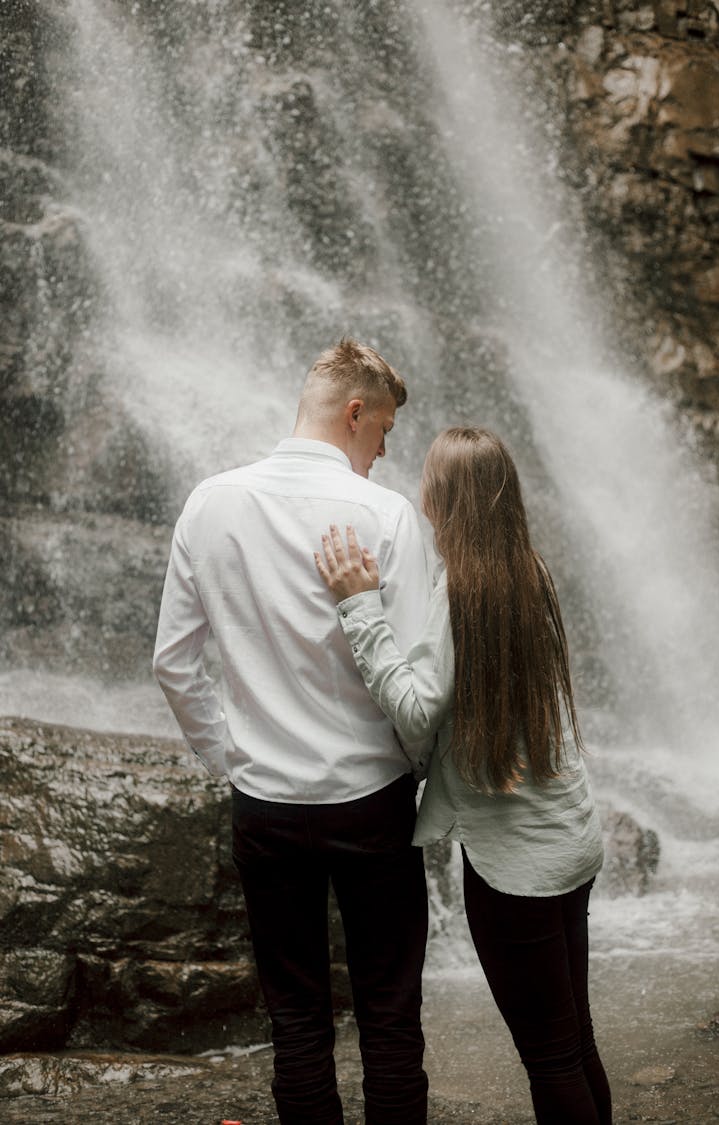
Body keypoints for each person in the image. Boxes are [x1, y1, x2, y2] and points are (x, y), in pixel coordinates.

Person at [153, 339, 432, 1125]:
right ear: (354, 413)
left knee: (298, 1021)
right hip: (373, 801)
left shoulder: (210, 503)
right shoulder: (385, 515)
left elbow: (173, 664)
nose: (383, 452)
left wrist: (235, 757)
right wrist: (413, 771)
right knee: (390, 1018)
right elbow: (415, 682)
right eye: (382, 433)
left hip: (266, 805)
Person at [315, 426, 613, 1125]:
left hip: (516, 868)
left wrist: (361, 607)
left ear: (443, 500)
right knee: (575, 1038)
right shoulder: (528, 571)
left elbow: (418, 710)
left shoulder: (461, 596)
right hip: (571, 839)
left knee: (550, 1055)